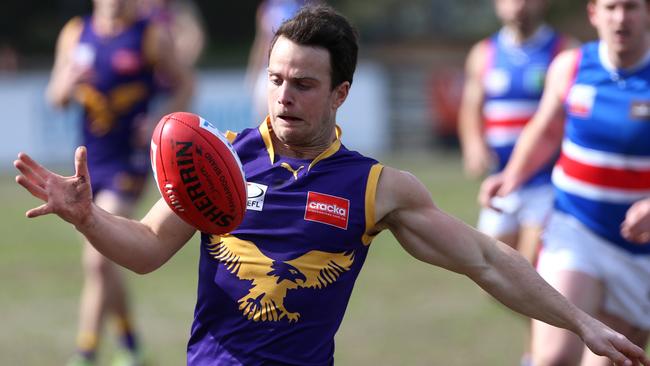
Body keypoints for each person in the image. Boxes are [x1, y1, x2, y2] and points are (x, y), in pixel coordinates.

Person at [17, 5, 649, 366]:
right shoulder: (222, 160)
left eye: (305, 84)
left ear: (341, 93)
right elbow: (149, 248)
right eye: (277, 79)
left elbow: (486, 260)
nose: (285, 96)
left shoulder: (374, 188)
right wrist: (88, 218)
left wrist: (580, 323)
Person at [479, 0, 650, 364]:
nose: (621, 17)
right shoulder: (571, 67)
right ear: (594, 13)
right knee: (554, 358)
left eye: (632, 7)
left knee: (609, 360)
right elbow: (545, 129)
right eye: (612, 7)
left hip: (640, 250)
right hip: (576, 227)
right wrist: (512, 175)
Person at [45, 0, 193, 364]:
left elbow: (186, 85)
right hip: (90, 163)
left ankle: (86, 352)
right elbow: (56, 98)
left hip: (130, 161)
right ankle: (129, 344)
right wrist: (66, 83)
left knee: (96, 260)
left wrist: (160, 117)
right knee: (104, 260)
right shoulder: (76, 33)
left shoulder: (150, 34)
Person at [458, 0, 576, 265]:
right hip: (501, 178)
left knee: (532, 267)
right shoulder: (483, 53)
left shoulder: (565, 51)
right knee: (489, 270)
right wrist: (473, 146)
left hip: (547, 180)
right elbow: (471, 107)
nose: (520, 5)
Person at [246, 0, 312, 123]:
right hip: (269, 69)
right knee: (265, 118)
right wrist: (253, 72)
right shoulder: (267, 7)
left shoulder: (306, 5)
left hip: (297, 70)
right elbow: (261, 41)